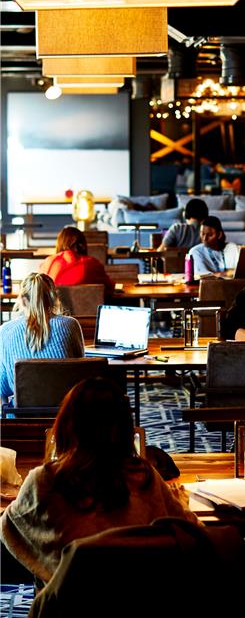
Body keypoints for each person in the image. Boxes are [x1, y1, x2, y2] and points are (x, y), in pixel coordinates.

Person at [0, 377, 202, 585]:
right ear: (126, 430)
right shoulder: (145, 478)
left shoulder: (45, 481)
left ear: (65, 425)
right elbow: (196, 532)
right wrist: (178, 501)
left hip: (67, 598)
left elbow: (9, 528)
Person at [0, 273, 84, 405]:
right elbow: (81, 372)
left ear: (22, 300)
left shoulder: (6, 330)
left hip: (21, 414)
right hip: (64, 412)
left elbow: (3, 387)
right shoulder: (70, 325)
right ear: (53, 298)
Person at [40, 226, 114, 296]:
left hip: (55, 305)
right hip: (89, 305)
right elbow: (110, 289)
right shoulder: (92, 263)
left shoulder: (47, 263)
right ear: (82, 245)